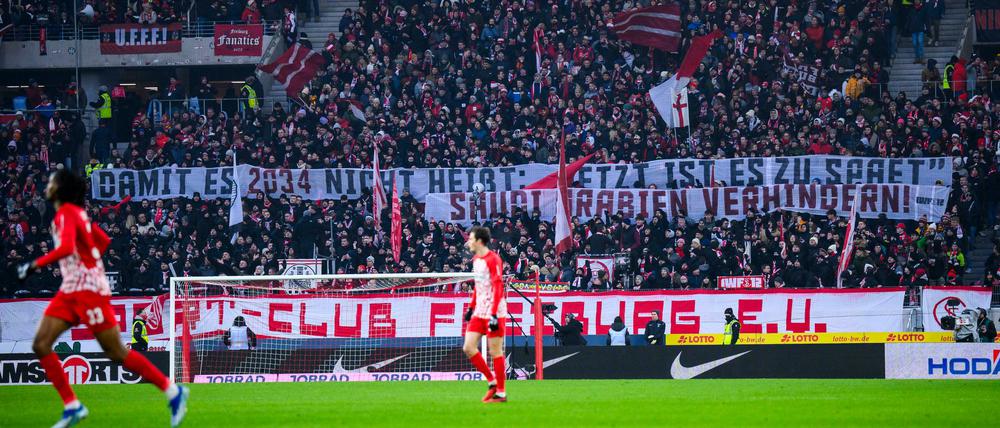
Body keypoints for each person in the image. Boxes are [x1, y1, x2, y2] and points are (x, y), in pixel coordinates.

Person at [17, 169, 189, 427]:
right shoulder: (77, 215)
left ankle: (173, 391)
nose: (48, 186)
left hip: (88, 290)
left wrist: (34, 265)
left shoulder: (67, 213)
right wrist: (89, 259)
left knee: (116, 352)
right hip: (71, 289)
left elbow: (67, 247)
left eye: (52, 182)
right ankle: (72, 406)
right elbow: (103, 240)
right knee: (41, 344)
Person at [460, 226, 508, 403]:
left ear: (479, 241)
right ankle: (492, 381)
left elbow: (498, 287)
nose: (469, 242)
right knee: (468, 347)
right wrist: (471, 308)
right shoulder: (476, 260)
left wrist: (494, 314)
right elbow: (478, 286)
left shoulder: (493, 259)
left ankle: (501, 393)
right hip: (479, 310)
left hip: (495, 311)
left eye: (471, 239)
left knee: (495, 350)